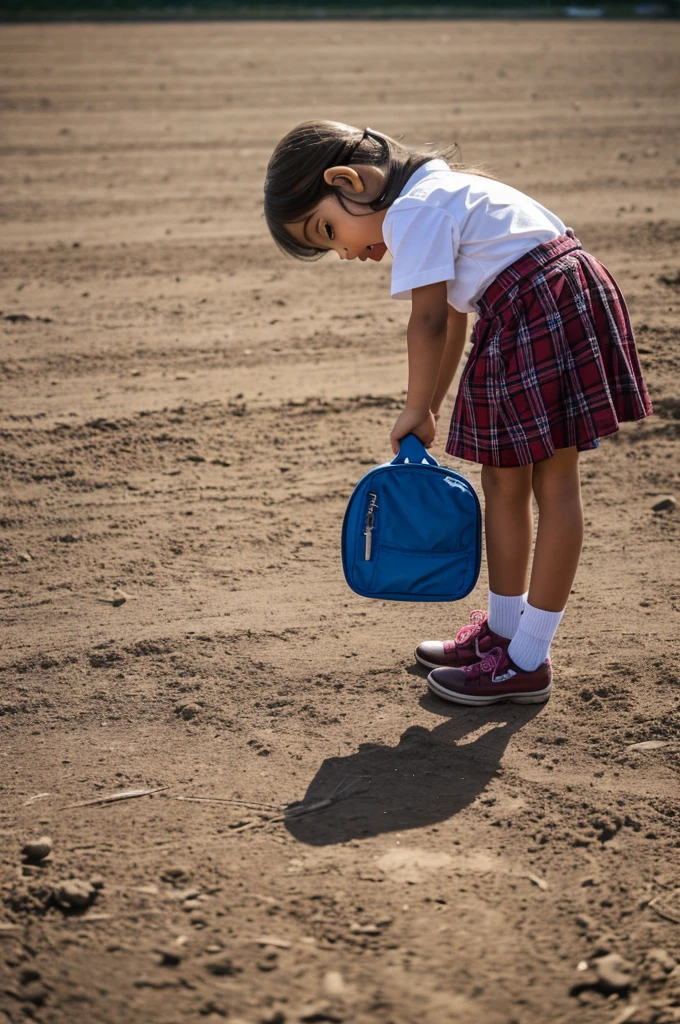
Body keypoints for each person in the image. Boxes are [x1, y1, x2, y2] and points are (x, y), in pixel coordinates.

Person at [263, 120, 652, 707]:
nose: (344, 252)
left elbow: (430, 322)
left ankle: (526, 660)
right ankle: (503, 633)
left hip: (532, 309)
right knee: (505, 478)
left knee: (552, 484)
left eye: (329, 230)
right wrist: (430, 406)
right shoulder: (444, 191)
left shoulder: (414, 209)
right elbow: (455, 318)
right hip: (550, 299)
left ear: (351, 181)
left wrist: (414, 406)